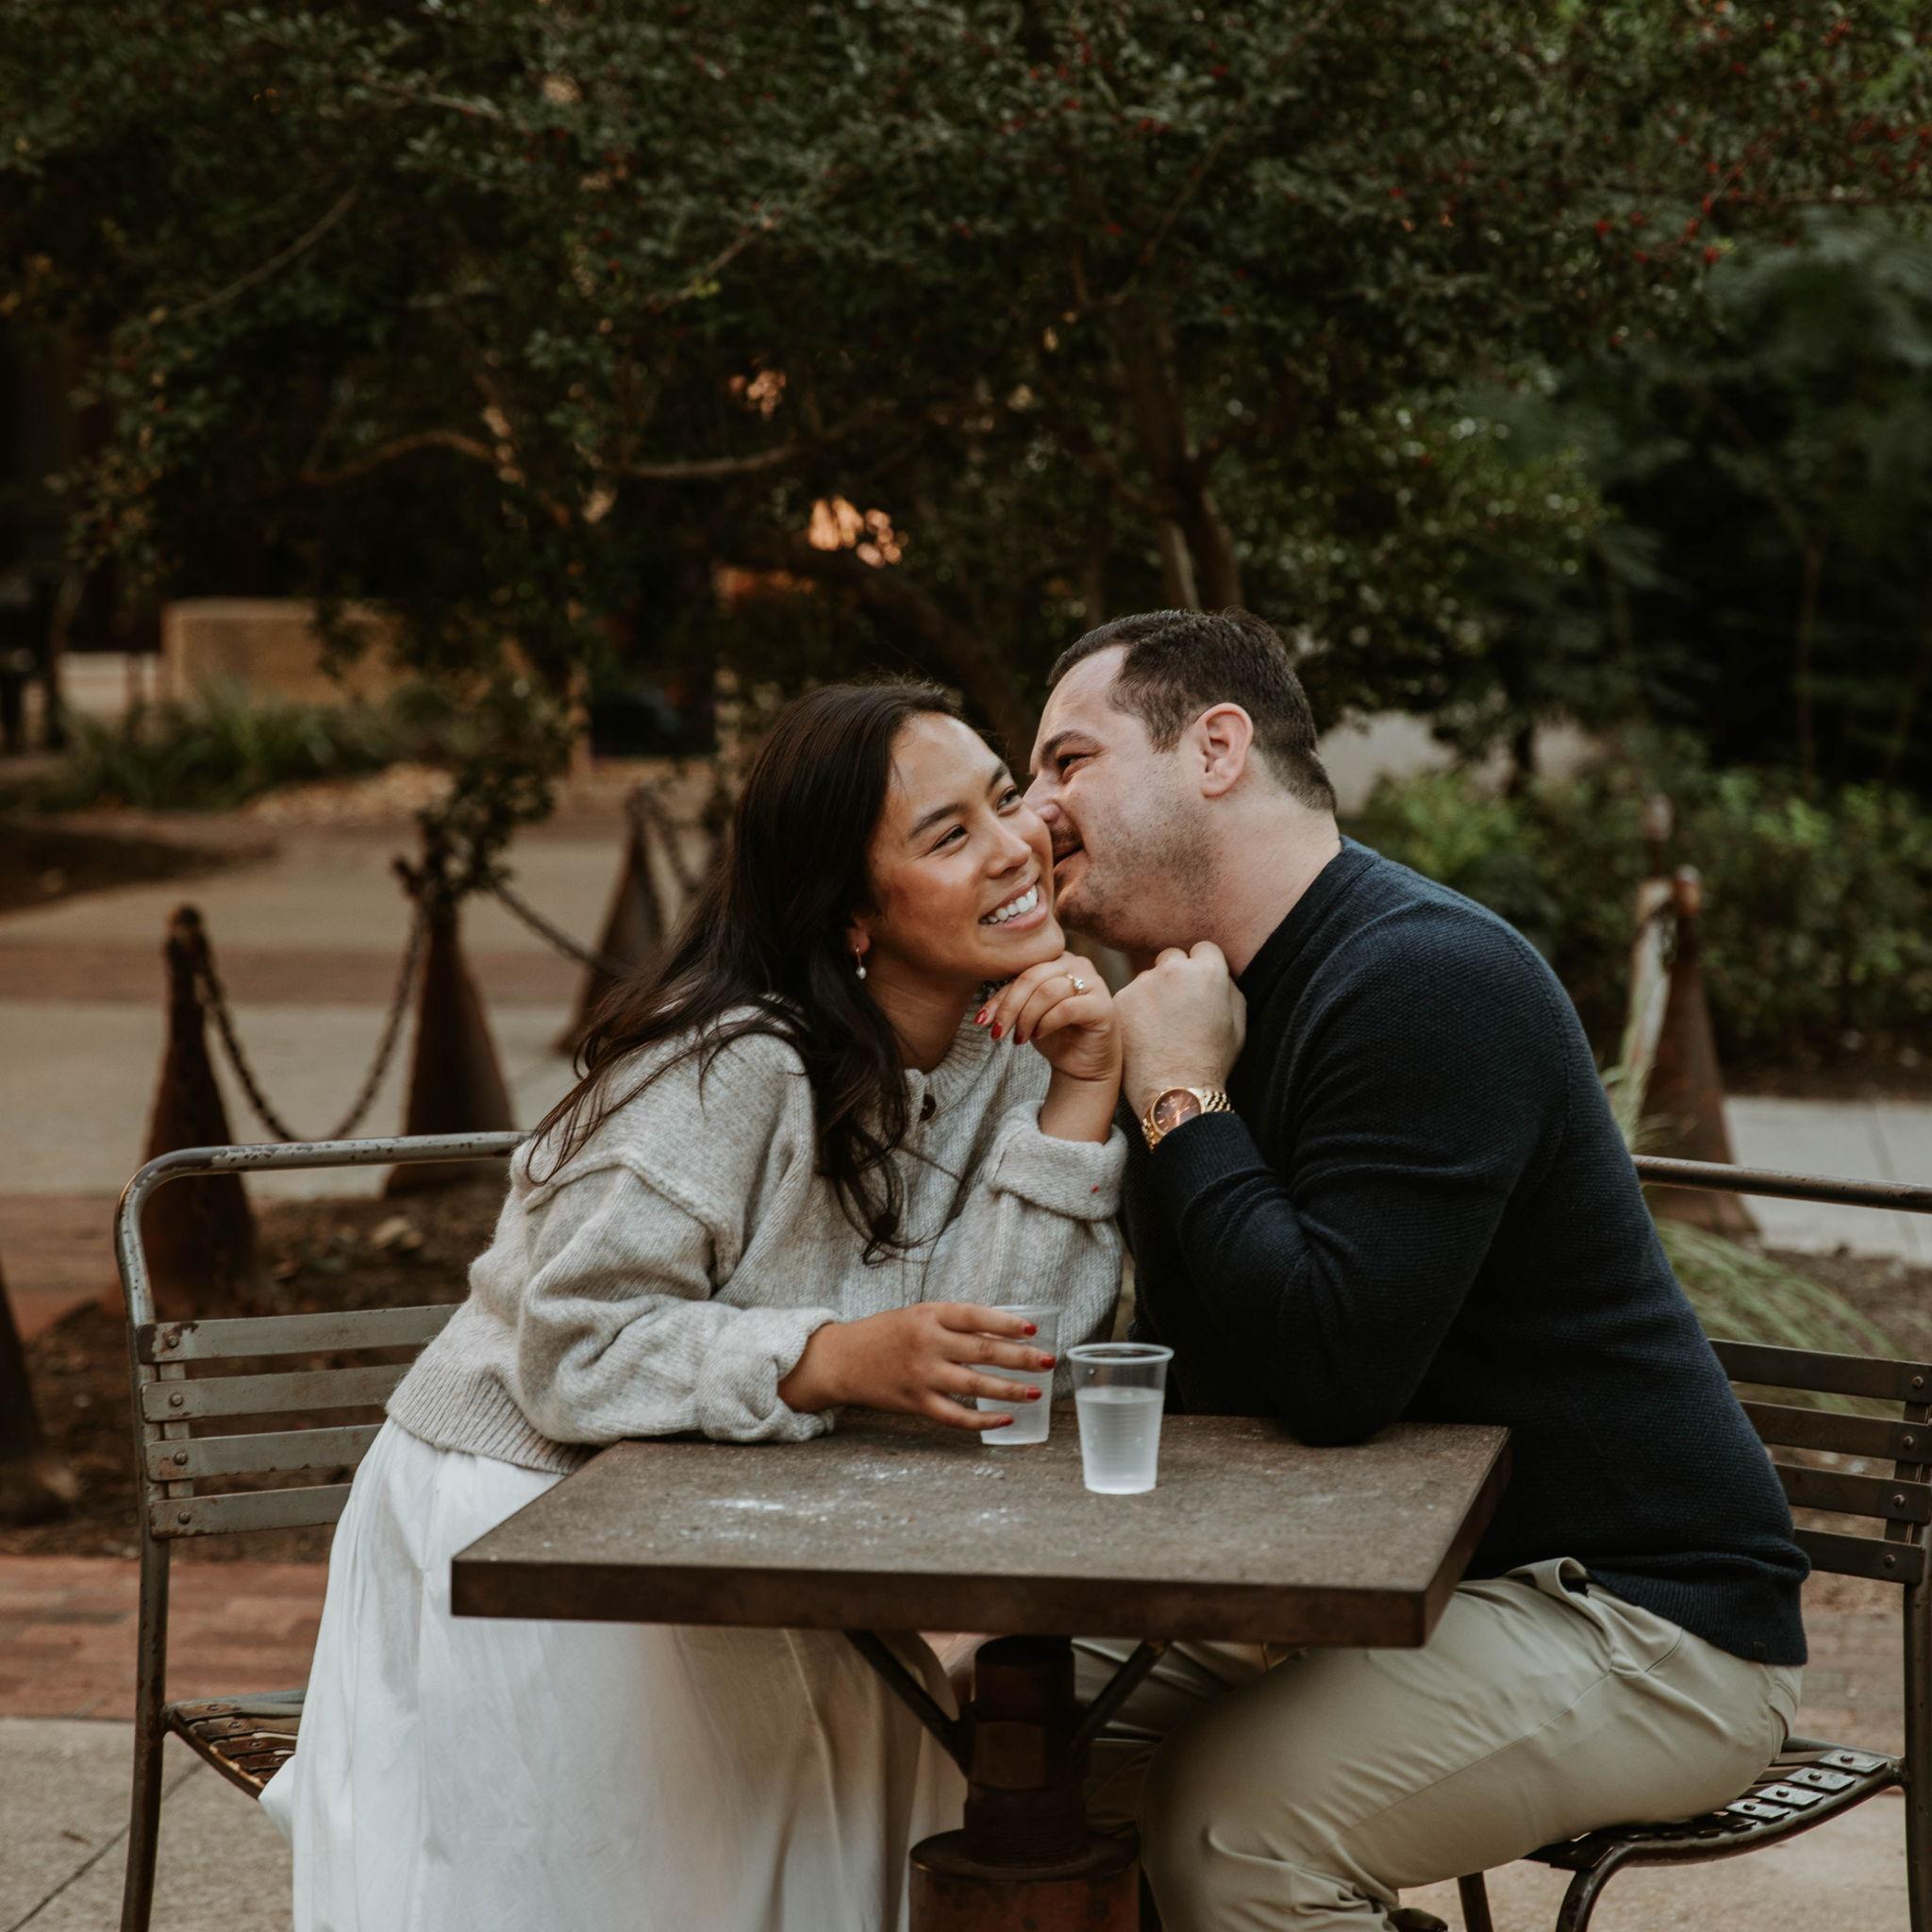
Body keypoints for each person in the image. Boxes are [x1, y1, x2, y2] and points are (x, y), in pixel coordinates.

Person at [263, 680, 1129, 1932]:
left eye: (1006, 800)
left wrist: (1081, 1095)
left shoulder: (1015, 1045)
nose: (1014, 847)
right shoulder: (726, 1064)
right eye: (950, 835)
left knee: (878, 1794)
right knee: (665, 1874)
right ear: (851, 916)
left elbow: (996, 1372)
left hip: (743, 1520)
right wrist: (828, 1358)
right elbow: (575, 1349)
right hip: (525, 1516)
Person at [1022, 608, 1807, 1932]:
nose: (1034, 810)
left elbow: (1331, 1374)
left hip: (1640, 1619)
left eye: (1067, 760)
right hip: (1372, 1584)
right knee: (1010, 1735)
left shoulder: (1427, 981)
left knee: (1231, 1830)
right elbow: (1203, 1370)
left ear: (1216, 749)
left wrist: (1180, 1100)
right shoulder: (1193, 1005)